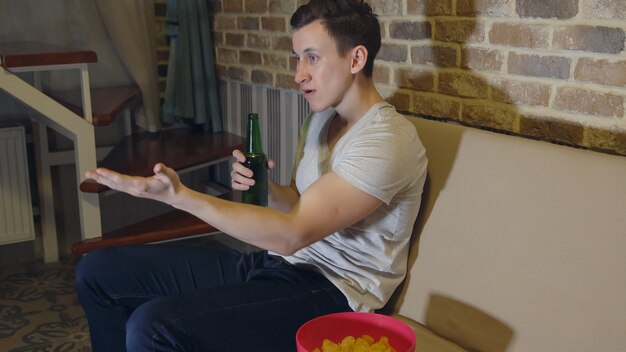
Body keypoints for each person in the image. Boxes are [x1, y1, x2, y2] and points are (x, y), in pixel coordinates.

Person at [75, 0, 428, 350]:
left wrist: (179, 196)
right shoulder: (322, 119)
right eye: (297, 58)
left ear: (356, 59)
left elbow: (293, 233)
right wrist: (268, 189)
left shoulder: (387, 140)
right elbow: (299, 202)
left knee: (153, 327)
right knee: (98, 271)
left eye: (312, 57)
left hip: (333, 294)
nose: (298, 73)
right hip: (277, 266)